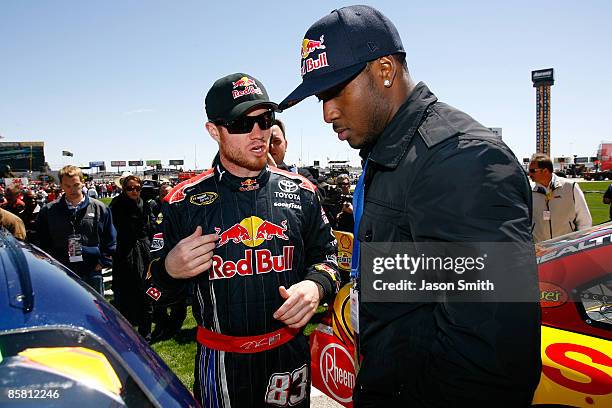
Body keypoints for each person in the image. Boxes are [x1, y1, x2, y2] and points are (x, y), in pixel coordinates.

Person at [280, 5, 541, 407]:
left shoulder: (459, 159)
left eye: (335, 91)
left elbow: (492, 357)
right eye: (320, 97)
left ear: (385, 70)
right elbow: (429, 290)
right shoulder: (392, 155)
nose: (327, 112)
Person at [149, 72, 339, 407]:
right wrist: (169, 270)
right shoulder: (181, 202)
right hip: (221, 364)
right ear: (214, 131)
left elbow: (329, 258)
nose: (258, 133)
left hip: (288, 358)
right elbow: (151, 292)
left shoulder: (302, 192)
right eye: (241, 124)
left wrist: (315, 286)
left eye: (265, 120)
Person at [36, 165, 116, 294]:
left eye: (76, 185)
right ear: (61, 185)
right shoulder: (48, 211)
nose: (72, 189)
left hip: (91, 270)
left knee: (95, 311)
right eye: (67, 186)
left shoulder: (100, 208)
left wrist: (102, 262)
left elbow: (110, 239)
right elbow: (41, 241)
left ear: (82, 183)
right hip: (61, 271)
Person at [109, 175, 154, 339]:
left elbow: (150, 227)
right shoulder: (116, 205)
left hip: (143, 250)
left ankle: (146, 332)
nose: (134, 191)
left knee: (146, 291)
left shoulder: (145, 204)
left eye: (137, 188)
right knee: (125, 292)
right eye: (130, 188)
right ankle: (125, 333)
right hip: (124, 252)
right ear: (123, 189)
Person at [148, 182, 188, 342]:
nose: (166, 195)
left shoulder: (180, 206)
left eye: (169, 192)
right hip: (159, 255)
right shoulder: (153, 206)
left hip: (177, 254)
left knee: (180, 297)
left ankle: (174, 326)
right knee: (156, 294)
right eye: (163, 192)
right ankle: (161, 324)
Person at [529, 153, 592, 242]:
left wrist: (580, 244)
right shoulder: (529, 190)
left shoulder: (570, 187)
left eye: (532, 170)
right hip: (540, 249)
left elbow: (584, 220)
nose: (529, 174)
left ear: (545, 171)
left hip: (566, 247)